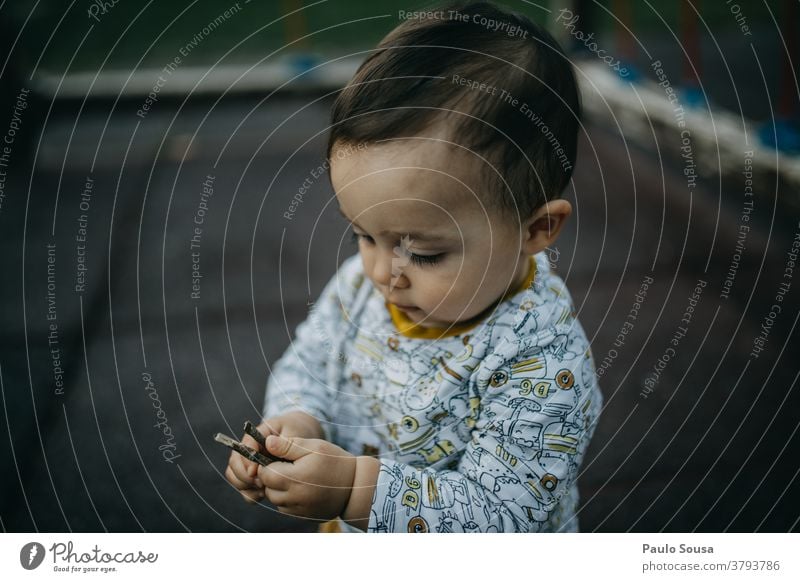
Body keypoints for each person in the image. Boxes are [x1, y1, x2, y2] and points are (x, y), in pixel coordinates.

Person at [225, 0, 603, 533]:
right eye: (363, 235)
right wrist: (293, 421)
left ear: (536, 230)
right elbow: (310, 362)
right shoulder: (362, 286)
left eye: (424, 252)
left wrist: (353, 489)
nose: (384, 272)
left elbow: (497, 516)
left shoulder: (540, 361)